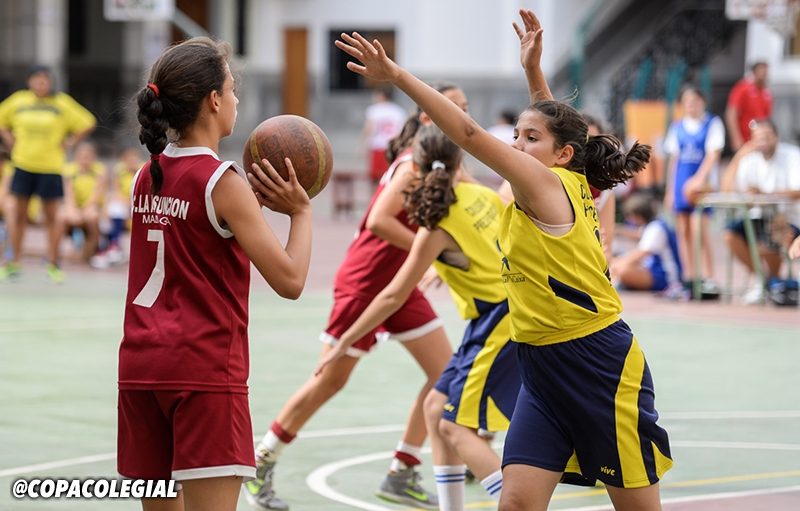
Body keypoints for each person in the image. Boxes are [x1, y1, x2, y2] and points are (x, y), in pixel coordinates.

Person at [334, 8, 672, 510]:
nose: (516, 145)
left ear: (561, 155)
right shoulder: (563, 173)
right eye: (516, 135)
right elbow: (557, 130)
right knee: (515, 503)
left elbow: (470, 135)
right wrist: (533, 71)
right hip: (540, 366)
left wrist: (398, 76)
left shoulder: (547, 184)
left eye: (528, 140)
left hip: (596, 362)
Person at [244, 84, 470, 511]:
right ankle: (262, 460)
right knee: (330, 379)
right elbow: (380, 220)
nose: (463, 115)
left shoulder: (448, 163)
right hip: (367, 282)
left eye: (465, 108)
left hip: (399, 284)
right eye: (453, 108)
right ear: (428, 116)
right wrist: (435, 255)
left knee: (446, 374)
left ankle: (402, 470)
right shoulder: (413, 164)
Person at [117, 37, 313, 511]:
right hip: (202, 372)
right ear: (213, 101)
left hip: (140, 369)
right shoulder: (222, 181)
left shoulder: (147, 174)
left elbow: (193, 233)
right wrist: (301, 213)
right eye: (232, 89)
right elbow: (290, 281)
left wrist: (245, 208)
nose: (237, 99)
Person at [316, 125, 519, 510]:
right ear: (460, 163)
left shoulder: (435, 229)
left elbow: (393, 295)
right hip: (506, 314)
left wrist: (344, 340)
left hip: (499, 324)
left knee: (455, 426)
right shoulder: (485, 197)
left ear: (416, 168)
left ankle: (520, 503)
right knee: (435, 409)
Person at [0, 64, 96, 282]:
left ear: (51, 82)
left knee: (52, 218)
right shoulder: (19, 101)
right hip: (23, 164)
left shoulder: (61, 103)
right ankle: (13, 261)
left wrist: (70, 141)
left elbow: (88, 122)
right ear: (29, 81)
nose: (41, 83)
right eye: (37, 78)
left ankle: (52, 263)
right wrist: (9, 138)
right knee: (19, 216)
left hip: (51, 167)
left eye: (45, 79)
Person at [721, 119, 800, 304]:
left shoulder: (792, 155)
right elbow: (728, 190)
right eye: (758, 138)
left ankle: (774, 284)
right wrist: (738, 157)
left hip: (787, 218)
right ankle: (766, 283)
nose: (763, 142)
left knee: (769, 239)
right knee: (731, 234)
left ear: (776, 137)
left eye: (767, 137)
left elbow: (797, 190)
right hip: (758, 217)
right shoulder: (748, 159)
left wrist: (765, 194)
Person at [663, 85, 724, 297]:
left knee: (700, 231)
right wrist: (670, 190)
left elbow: (713, 154)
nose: (691, 105)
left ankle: (709, 277)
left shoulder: (712, 123)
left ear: (702, 102)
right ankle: (688, 277)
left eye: (695, 101)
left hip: (702, 186)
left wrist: (699, 178)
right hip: (681, 183)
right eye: (687, 102)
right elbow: (674, 160)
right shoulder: (677, 127)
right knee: (684, 231)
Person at [611, 192, 682, 294]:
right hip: (653, 271)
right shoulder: (652, 225)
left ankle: (622, 283)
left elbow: (637, 256)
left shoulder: (656, 228)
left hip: (666, 277)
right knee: (619, 264)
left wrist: (616, 263)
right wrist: (619, 230)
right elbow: (637, 233)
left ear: (638, 215)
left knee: (623, 270)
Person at [90, 146, 143, 269]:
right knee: (110, 212)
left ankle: (110, 248)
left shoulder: (143, 170)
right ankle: (110, 248)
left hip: (139, 206)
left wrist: (131, 204)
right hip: (125, 204)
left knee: (116, 209)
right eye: (128, 158)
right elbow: (116, 193)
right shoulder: (119, 170)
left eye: (134, 158)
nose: (131, 161)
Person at [62, 140, 107, 262]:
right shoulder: (69, 170)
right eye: (81, 156)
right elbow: (69, 195)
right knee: (62, 217)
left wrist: (84, 211)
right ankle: (55, 253)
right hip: (76, 207)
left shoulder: (99, 170)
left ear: (94, 157)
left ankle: (96, 250)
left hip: (93, 207)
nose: (84, 160)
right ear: (75, 157)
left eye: (88, 156)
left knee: (92, 216)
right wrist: (73, 210)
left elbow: (95, 197)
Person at [362, 86, 407, 185]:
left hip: (377, 146)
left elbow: (369, 129)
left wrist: (364, 146)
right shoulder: (399, 111)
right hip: (392, 147)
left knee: (375, 179)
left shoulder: (375, 110)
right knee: (389, 176)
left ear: (382, 95)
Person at [725, 61, 772, 152]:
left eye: (766, 72)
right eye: (761, 71)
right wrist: (735, 137)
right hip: (744, 139)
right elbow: (731, 113)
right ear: (754, 72)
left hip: (760, 141)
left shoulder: (767, 92)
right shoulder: (742, 88)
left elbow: (767, 118)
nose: (764, 75)